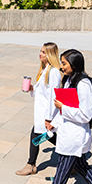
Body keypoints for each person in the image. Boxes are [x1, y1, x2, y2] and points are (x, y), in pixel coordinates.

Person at [36, 49, 92, 184]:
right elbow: (65, 108)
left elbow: (85, 115)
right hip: (67, 131)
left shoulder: (84, 85)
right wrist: (54, 122)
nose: (62, 67)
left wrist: (62, 107)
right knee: (80, 165)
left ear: (74, 64)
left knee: (63, 167)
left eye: (64, 63)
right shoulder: (71, 80)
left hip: (75, 135)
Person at [16, 42, 62, 176]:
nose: (40, 54)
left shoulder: (53, 72)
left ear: (50, 54)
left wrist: (48, 117)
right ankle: (74, 161)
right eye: (40, 51)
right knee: (50, 137)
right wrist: (32, 88)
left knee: (39, 135)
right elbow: (43, 89)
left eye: (43, 52)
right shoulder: (45, 69)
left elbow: (53, 95)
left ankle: (31, 165)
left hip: (46, 113)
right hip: (42, 112)